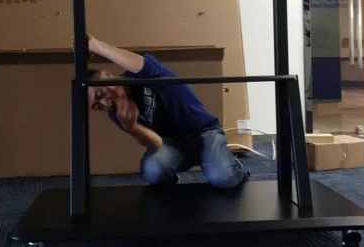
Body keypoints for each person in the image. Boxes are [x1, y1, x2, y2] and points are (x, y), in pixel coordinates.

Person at [87, 36, 249, 188]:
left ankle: (235, 166)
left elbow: (141, 64)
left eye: (100, 95)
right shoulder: (116, 113)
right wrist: (133, 127)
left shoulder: (141, 74)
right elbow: (157, 144)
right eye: (97, 106)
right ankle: (175, 190)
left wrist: (95, 45)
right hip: (175, 144)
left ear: (107, 75)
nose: (104, 103)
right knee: (152, 171)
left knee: (223, 177)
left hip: (204, 132)